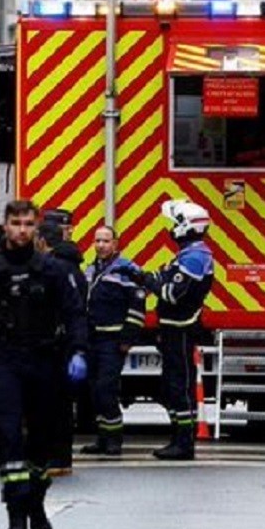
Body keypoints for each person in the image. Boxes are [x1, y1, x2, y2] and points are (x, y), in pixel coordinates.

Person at [0, 200, 87, 529]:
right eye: (16, 223)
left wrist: (77, 351)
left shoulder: (52, 270)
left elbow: (74, 314)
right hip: (6, 361)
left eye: (28, 224)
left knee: (42, 439)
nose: (22, 230)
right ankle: (16, 512)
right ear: (5, 225)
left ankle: (36, 501)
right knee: (9, 434)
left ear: (36, 227)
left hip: (45, 360)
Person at [119, 200, 214, 461]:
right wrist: (150, 278)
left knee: (179, 386)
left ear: (186, 227)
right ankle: (179, 438)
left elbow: (171, 293)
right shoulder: (189, 255)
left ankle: (183, 443)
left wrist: (143, 278)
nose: (171, 229)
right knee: (170, 386)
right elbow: (164, 278)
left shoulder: (195, 258)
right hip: (173, 330)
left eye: (174, 224)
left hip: (181, 331)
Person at [79, 226, 145, 457]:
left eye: (105, 241)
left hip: (113, 340)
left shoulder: (126, 271)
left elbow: (137, 307)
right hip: (93, 339)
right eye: (97, 241)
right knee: (94, 391)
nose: (100, 245)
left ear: (116, 244)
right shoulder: (91, 270)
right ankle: (102, 437)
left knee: (106, 389)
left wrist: (128, 338)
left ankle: (114, 440)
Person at [36, 220, 88, 474]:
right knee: (61, 404)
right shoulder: (73, 269)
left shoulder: (54, 270)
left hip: (54, 345)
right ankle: (59, 458)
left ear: (42, 242)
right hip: (65, 344)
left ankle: (53, 457)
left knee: (51, 404)